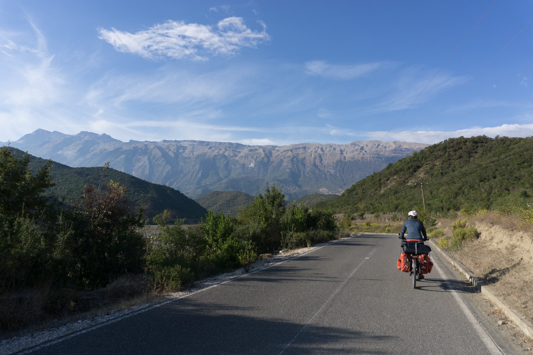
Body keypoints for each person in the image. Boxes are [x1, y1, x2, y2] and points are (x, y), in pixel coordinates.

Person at [398, 210, 428, 279]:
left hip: (409, 241)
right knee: (420, 255)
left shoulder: (406, 222)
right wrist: (425, 238)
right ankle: (421, 272)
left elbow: (402, 231)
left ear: (409, 216)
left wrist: (401, 237)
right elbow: (423, 231)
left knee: (408, 254)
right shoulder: (420, 223)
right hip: (419, 241)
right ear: (416, 216)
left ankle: (409, 267)